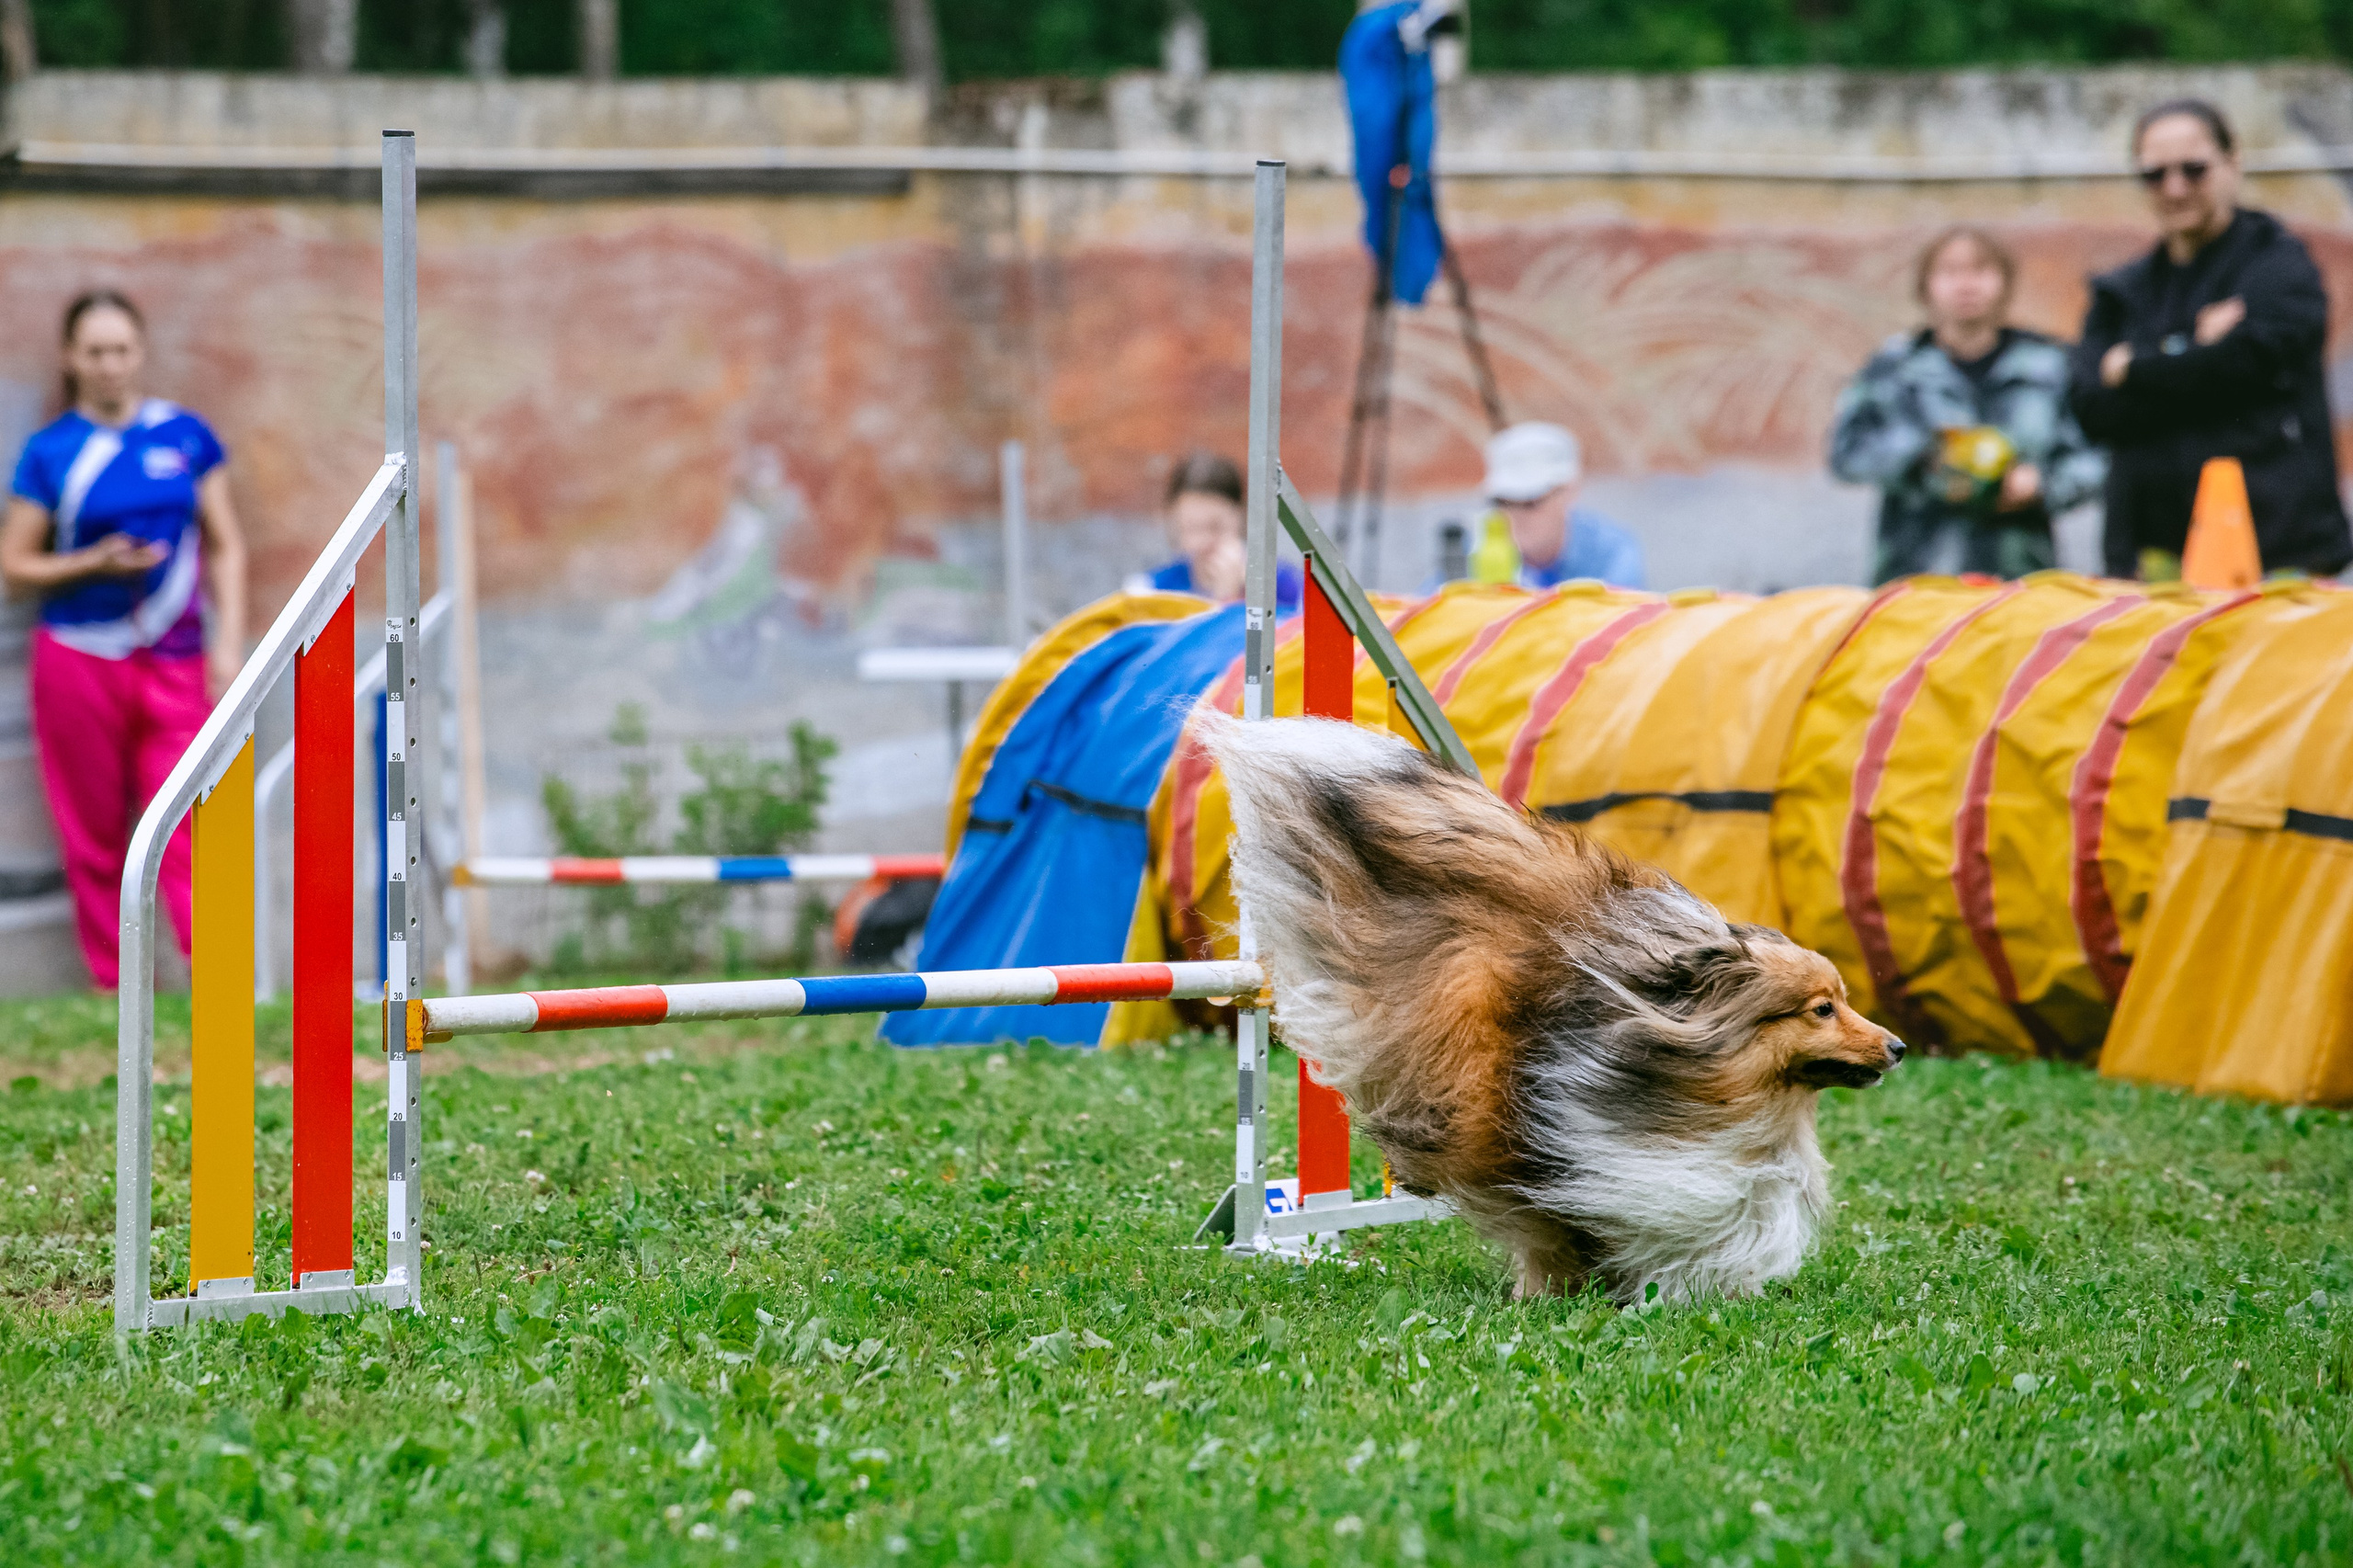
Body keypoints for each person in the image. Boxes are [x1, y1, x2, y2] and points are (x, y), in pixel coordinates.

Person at [0, 290, 248, 988]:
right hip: (79, 658)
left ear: (140, 353)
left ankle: (217, 981)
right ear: (70, 359)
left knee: (191, 823)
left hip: (178, 659)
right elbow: (14, 568)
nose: (109, 365)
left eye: (121, 350)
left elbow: (226, 545)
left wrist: (228, 644)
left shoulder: (186, 436)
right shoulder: (52, 452)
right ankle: (116, 987)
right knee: (95, 835)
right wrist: (91, 561)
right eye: (94, 352)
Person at [2070, 98, 2352, 581]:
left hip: (2279, 561)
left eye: (2194, 169)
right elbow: (2091, 407)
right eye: (2155, 175)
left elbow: (2251, 362)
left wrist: (2136, 369)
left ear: (2232, 162)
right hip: (2156, 565)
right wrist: (2196, 354)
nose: (2175, 188)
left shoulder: (2280, 268)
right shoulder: (2124, 290)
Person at [1829, 226, 2107, 584]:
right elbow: (1846, 453)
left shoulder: (2050, 366)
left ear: (2005, 282)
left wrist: (2043, 484)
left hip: (2020, 580)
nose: (1966, 284)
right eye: (1949, 272)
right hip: (1917, 581)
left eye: (1980, 270)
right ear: (1925, 287)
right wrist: (1926, 461)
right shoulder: (1893, 368)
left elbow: (2099, 457)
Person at [1468, 422, 1645, 590]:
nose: (1515, 515)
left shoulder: (1610, 551)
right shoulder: (1469, 554)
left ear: (1569, 492)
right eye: (1503, 502)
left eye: (1531, 502)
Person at [1138, 450, 1302, 610]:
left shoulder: (1286, 586)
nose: (1203, 543)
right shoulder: (1152, 592)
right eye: (1192, 528)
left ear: (1241, 517)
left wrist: (1237, 597)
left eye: (1216, 527)